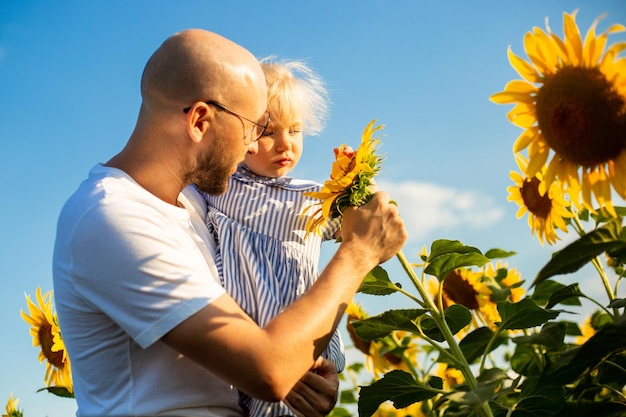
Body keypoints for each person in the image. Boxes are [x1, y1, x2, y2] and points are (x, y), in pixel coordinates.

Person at [53, 29, 407, 417]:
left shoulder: (194, 205)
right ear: (201, 121)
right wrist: (359, 253)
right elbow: (267, 370)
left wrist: (305, 381)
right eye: (255, 126)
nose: (254, 144)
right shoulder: (113, 217)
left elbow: (266, 360)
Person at [203, 57, 345, 416]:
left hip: (296, 340)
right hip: (242, 342)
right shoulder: (219, 184)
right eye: (268, 132)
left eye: (295, 131)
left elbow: (366, 230)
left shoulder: (313, 197)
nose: (285, 144)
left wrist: (354, 179)